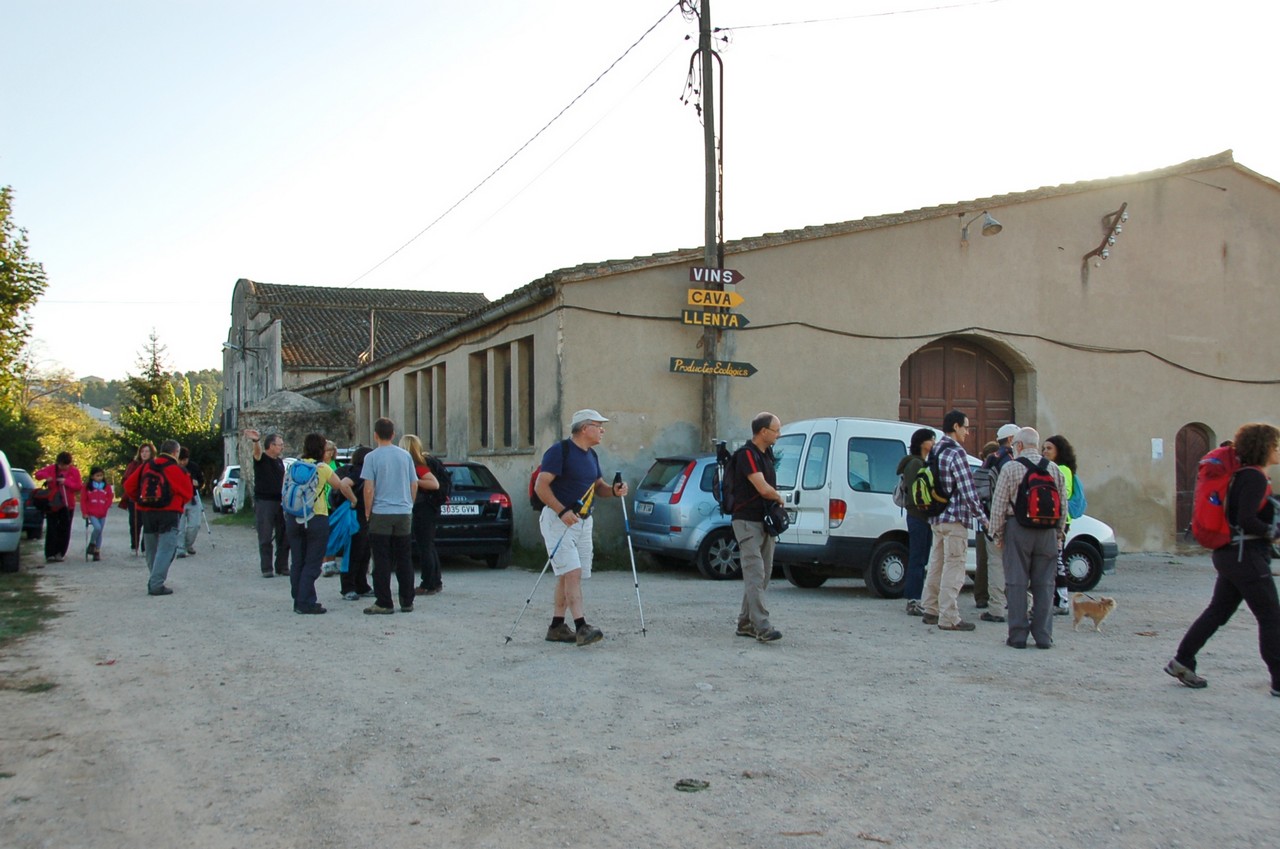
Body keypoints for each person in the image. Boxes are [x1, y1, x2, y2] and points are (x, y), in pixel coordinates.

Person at [1167, 422, 1280, 696]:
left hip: (1230, 555)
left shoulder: (1240, 476)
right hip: (1246, 556)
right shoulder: (1254, 477)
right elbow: (1246, 519)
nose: (1278, 450)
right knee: (1270, 617)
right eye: (1276, 445)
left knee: (1217, 612)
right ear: (1264, 447)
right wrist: (1272, 532)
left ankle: (1183, 661)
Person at [532, 409, 627, 646]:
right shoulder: (559, 451)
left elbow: (598, 487)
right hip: (558, 521)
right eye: (598, 425)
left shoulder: (591, 455)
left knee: (571, 573)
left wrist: (613, 491)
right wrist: (561, 511)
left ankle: (556, 626)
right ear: (584, 428)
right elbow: (541, 486)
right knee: (572, 571)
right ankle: (581, 626)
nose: (603, 430)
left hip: (583, 521)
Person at [988, 427, 1066, 649]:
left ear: (1019, 445)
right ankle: (1043, 636)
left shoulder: (1011, 468)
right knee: (1045, 584)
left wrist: (997, 534)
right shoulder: (1053, 469)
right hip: (1047, 532)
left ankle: (1018, 636)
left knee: (1016, 583)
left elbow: (999, 505)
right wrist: (1058, 534)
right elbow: (1063, 505)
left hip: (1018, 528)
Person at [921, 410, 988, 632]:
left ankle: (930, 608)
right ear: (956, 427)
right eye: (966, 427)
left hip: (937, 517)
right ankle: (949, 616)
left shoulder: (935, 449)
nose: (967, 432)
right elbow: (968, 491)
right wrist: (984, 519)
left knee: (936, 564)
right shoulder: (956, 453)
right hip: (955, 518)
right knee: (955, 566)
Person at [728, 412, 786, 643]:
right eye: (776, 430)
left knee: (763, 575)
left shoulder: (766, 455)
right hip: (746, 521)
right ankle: (762, 626)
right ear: (763, 432)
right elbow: (762, 488)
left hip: (765, 522)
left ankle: (745, 623)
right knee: (755, 573)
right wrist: (779, 498)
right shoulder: (747, 455)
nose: (779, 435)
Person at [285, 433, 357, 615]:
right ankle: (305, 602)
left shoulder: (294, 466)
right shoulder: (322, 468)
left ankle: (299, 598)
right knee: (313, 561)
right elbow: (339, 485)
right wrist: (353, 500)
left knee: (298, 561)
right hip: (316, 517)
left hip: (293, 517)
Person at [361, 418, 419, 615]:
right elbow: (414, 484)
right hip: (403, 511)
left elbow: (369, 488)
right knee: (404, 557)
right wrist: (409, 504)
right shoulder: (405, 456)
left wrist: (368, 511)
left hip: (381, 512)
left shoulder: (371, 457)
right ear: (393, 434)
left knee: (381, 558)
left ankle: (384, 602)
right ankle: (407, 600)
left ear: (375, 435)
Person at [123, 439, 194, 596]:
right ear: (175, 452)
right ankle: (156, 583)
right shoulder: (177, 470)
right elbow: (188, 493)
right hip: (169, 512)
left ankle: (154, 578)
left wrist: (140, 500)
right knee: (167, 549)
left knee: (151, 549)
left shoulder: (146, 466)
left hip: (147, 511)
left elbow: (129, 486)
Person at [973, 423, 1018, 614]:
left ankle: (994, 606)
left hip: (988, 518)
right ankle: (1014, 604)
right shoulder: (1010, 461)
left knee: (993, 564)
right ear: (1011, 440)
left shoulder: (991, 459)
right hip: (1007, 519)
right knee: (1011, 564)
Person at [398, 434, 445, 597]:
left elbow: (434, 484)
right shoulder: (420, 463)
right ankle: (435, 582)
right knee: (429, 546)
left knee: (425, 547)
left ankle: (428, 584)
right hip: (428, 509)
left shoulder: (417, 466)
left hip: (423, 509)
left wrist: (413, 481)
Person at [896, 427, 935, 616]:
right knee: (917, 558)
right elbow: (917, 492)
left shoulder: (921, 462)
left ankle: (917, 598)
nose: (934, 443)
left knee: (922, 558)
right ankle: (913, 600)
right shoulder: (915, 464)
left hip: (922, 516)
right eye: (931, 439)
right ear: (922, 443)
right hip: (918, 516)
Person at [246, 428, 290, 578]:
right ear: (271, 446)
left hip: (280, 502)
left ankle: (282, 566)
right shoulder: (262, 459)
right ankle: (267, 568)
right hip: (265, 502)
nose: (282, 447)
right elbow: (257, 453)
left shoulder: (279, 462)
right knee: (265, 536)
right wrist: (256, 441)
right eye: (280, 444)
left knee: (284, 535)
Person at [1042, 434, 1079, 614]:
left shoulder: (1061, 469)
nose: (1045, 451)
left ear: (1059, 451)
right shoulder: (1052, 467)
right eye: (1043, 448)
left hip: (1060, 521)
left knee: (1057, 561)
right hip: (1053, 519)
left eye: (1049, 448)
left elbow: (1063, 494)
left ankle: (1062, 602)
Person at [334, 446, 375, 601]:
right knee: (354, 551)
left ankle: (361, 585)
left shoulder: (361, 471)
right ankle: (348, 587)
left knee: (363, 552)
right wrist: (354, 500)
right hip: (356, 516)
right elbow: (344, 484)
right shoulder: (359, 471)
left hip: (362, 515)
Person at [34, 451, 83, 563]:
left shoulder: (74, 471)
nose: (62, 467)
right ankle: (50, 553)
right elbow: (38, 474)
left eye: (65, 465)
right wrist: (47, 477)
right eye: (61, 465)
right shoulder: (52, 468)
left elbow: (78, 486)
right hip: (53, 503)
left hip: (67, 504)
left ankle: (60, 552)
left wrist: (66, 482)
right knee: (52, 528)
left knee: (65, 529)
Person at [119, 443, 155, 555]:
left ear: (151, 453)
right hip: (134, 498)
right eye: (142, 451)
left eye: (147, 451)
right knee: (134, 523)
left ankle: (145, 547)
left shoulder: (154, 465)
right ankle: (134, 545)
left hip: (148, 498)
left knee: (148, 523)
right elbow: (125, 480)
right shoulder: (133, 465)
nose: (144, 454)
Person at [175, 446, 204, 559]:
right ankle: (180, 548)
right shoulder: (174, 468)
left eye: (185, 460)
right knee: (180, 527)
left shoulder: (194, 467)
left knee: (195, 525)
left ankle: (187, 544)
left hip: (193, 499)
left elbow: (202, 481)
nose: (182, 462)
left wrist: (198, 484)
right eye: (180, 460)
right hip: (179, 500)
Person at [80, 466, 113, 561]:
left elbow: (109, 498)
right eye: (97, 476)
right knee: (97, 528)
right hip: (92, 512)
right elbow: (83, 500)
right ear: (92, 476)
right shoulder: (87, 487)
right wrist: (84, 512)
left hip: (102, 513)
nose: (99, 478)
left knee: (99, 531)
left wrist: (106, 507)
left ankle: (97, 551)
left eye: (101, 476)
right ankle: (92, 543)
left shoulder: (106, 486)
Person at [319, 440, 341, 577]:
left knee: (333, 535)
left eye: (330, 451)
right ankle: (324, 563)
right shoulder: (318, 466)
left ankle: (331, 562)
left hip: (335, 505)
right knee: (322, 535)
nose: (327, 453)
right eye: (325, 450)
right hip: (321, 505)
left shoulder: (338, 466)